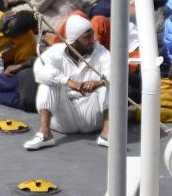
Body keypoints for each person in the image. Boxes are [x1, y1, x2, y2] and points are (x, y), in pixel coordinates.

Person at [24, 14, 111, 150]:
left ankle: (107, 134)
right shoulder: (57, 51)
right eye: (87, 37)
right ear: (74, 40)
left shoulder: (101, 51)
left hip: (93, 116)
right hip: (64, 118)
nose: (93, 40)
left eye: (92, 35)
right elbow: (39, 69)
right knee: (47, 81)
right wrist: (69, 82)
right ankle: (45, 134)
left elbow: (115, 70)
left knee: (111, 85)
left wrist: (98, 82)